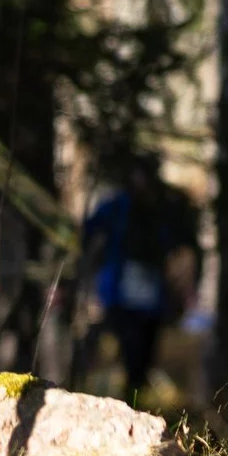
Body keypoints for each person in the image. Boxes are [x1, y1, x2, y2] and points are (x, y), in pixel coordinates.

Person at [80, 151, 202, 404]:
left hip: (150, 296)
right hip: (119, 293)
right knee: (121, 345)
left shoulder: (165, 210)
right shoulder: (117, 207)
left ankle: (132, 397)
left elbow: (185, 245)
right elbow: (88, 232)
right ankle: (116, 396)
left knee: (142, 352)